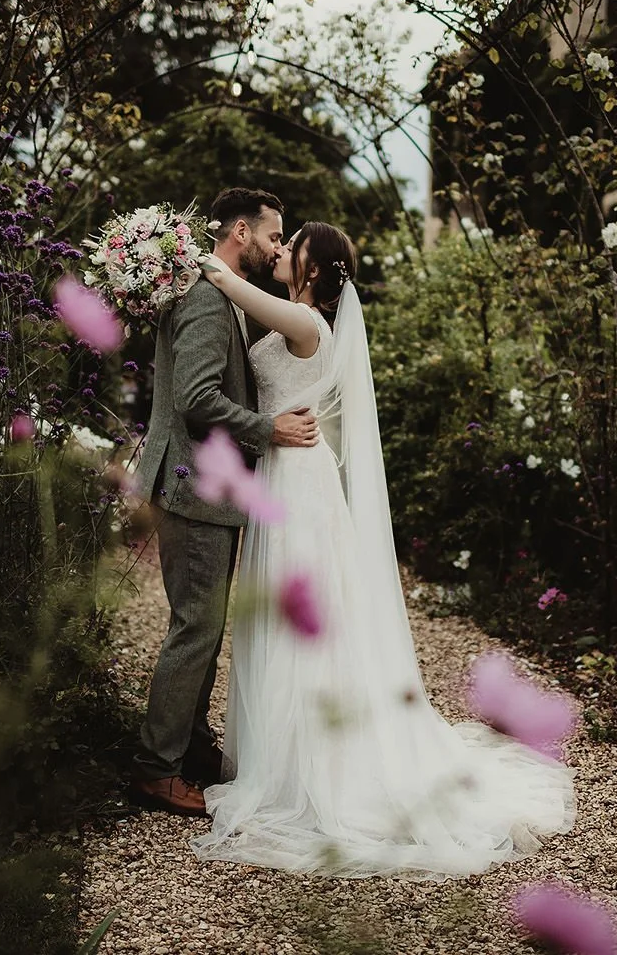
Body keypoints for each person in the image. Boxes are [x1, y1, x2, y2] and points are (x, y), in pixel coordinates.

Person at [189, 222, 576, 878]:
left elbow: (223, 276)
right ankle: (284, 755)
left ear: (312, 267)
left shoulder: (307, 323)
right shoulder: (297, 316)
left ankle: (311, 770)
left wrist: (165, 246)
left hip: (299, 485)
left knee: (302, 625)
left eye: (293, 244)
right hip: (287, 475)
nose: (281, 250)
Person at [130, 188, 319, 817]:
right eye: (273, 235)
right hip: (193, 486)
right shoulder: (211, 299)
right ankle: (157, 770)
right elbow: (197, 399)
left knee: (204, 628)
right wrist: (272, 430)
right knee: (196, 629)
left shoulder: (220, 292)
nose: (277, 247)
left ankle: (189, 748)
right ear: (241, 230)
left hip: (201, 485)